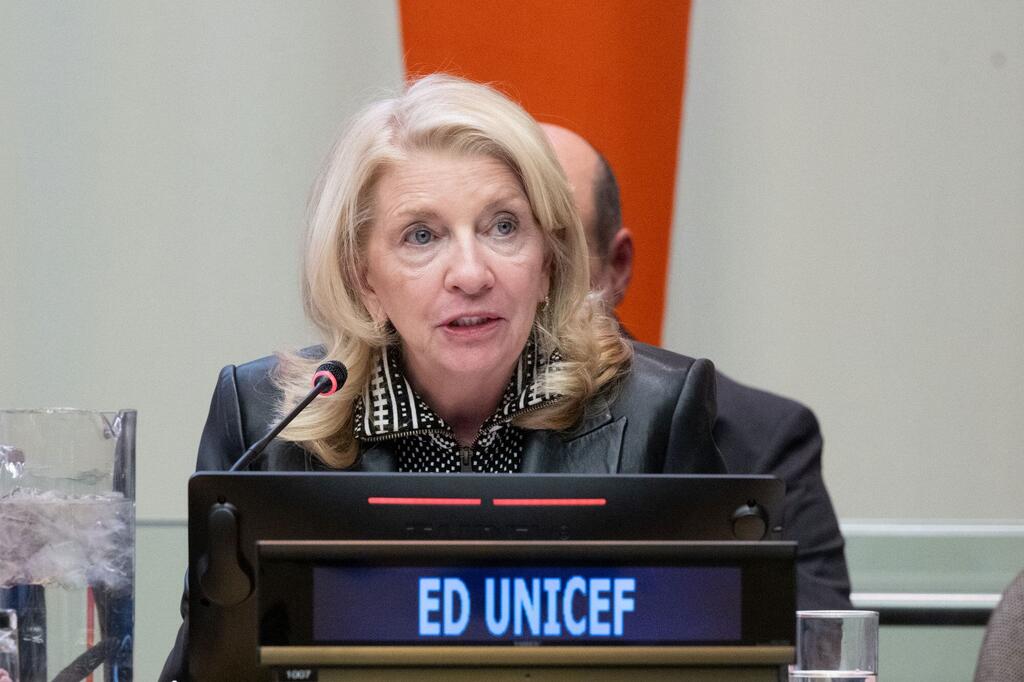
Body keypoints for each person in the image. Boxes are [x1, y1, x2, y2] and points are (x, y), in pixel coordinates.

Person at [160, 75, 725, 680]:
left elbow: (720, 662)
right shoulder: (266, 426)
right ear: (363, 278)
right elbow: (208, 667)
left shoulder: (657, 413)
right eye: (421, 236)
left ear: (547, 263)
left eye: (503, 226)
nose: (471, 272)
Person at [540, 123, 853, 610]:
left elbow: (812, 647)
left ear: (617, 266)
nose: (521, 271)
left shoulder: (760, 436)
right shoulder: (408, 419)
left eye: (558, 244)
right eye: (504, 231)